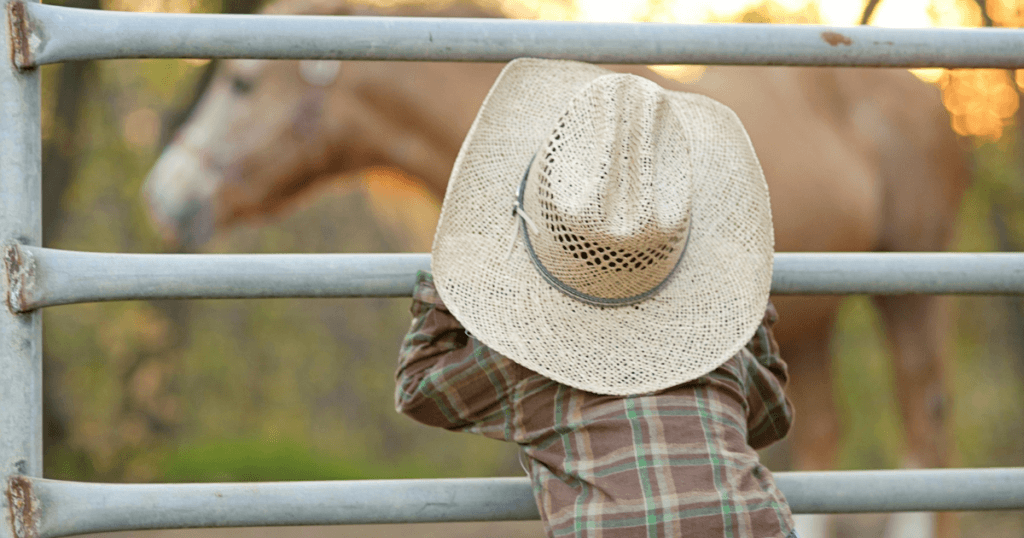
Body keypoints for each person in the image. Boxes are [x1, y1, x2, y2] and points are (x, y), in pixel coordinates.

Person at [395, 58, 796, 538]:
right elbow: (773, 416)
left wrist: (451, 277)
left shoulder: (518, 357)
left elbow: (417, 388)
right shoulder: (721, 359)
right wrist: (746, 307)